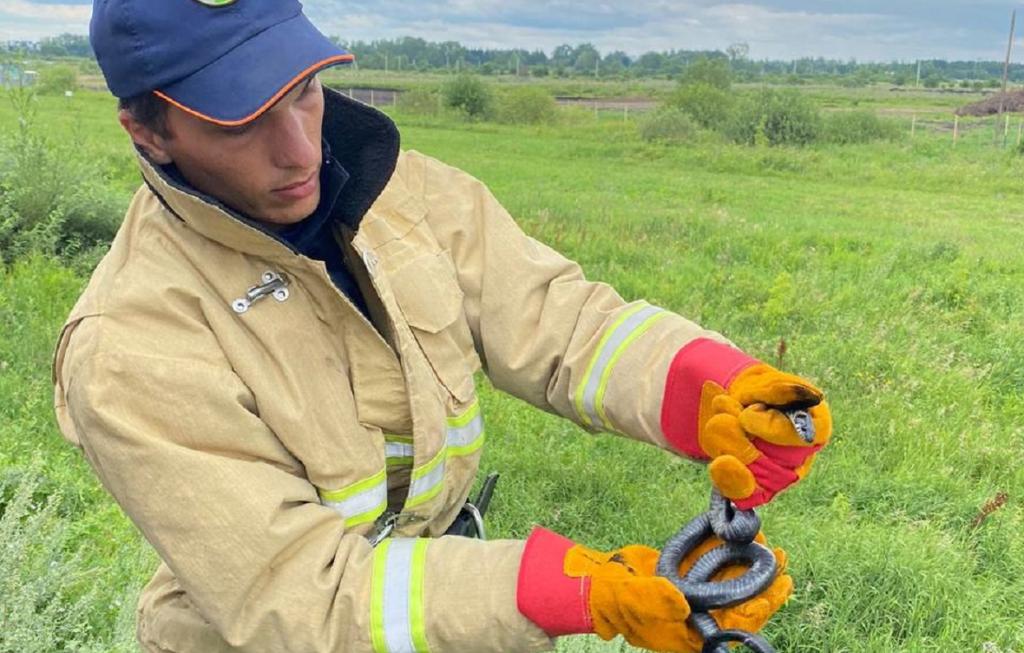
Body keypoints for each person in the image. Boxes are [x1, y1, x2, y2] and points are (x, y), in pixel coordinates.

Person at [53, 2, 833, 652]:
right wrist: (558, 589)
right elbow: (301, 595)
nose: (299, 149)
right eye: (240, 120)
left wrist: (705, 382)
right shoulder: (129, 345)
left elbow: (558, 320)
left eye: (301, 91)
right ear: (149, 131)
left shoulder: (404, 192)